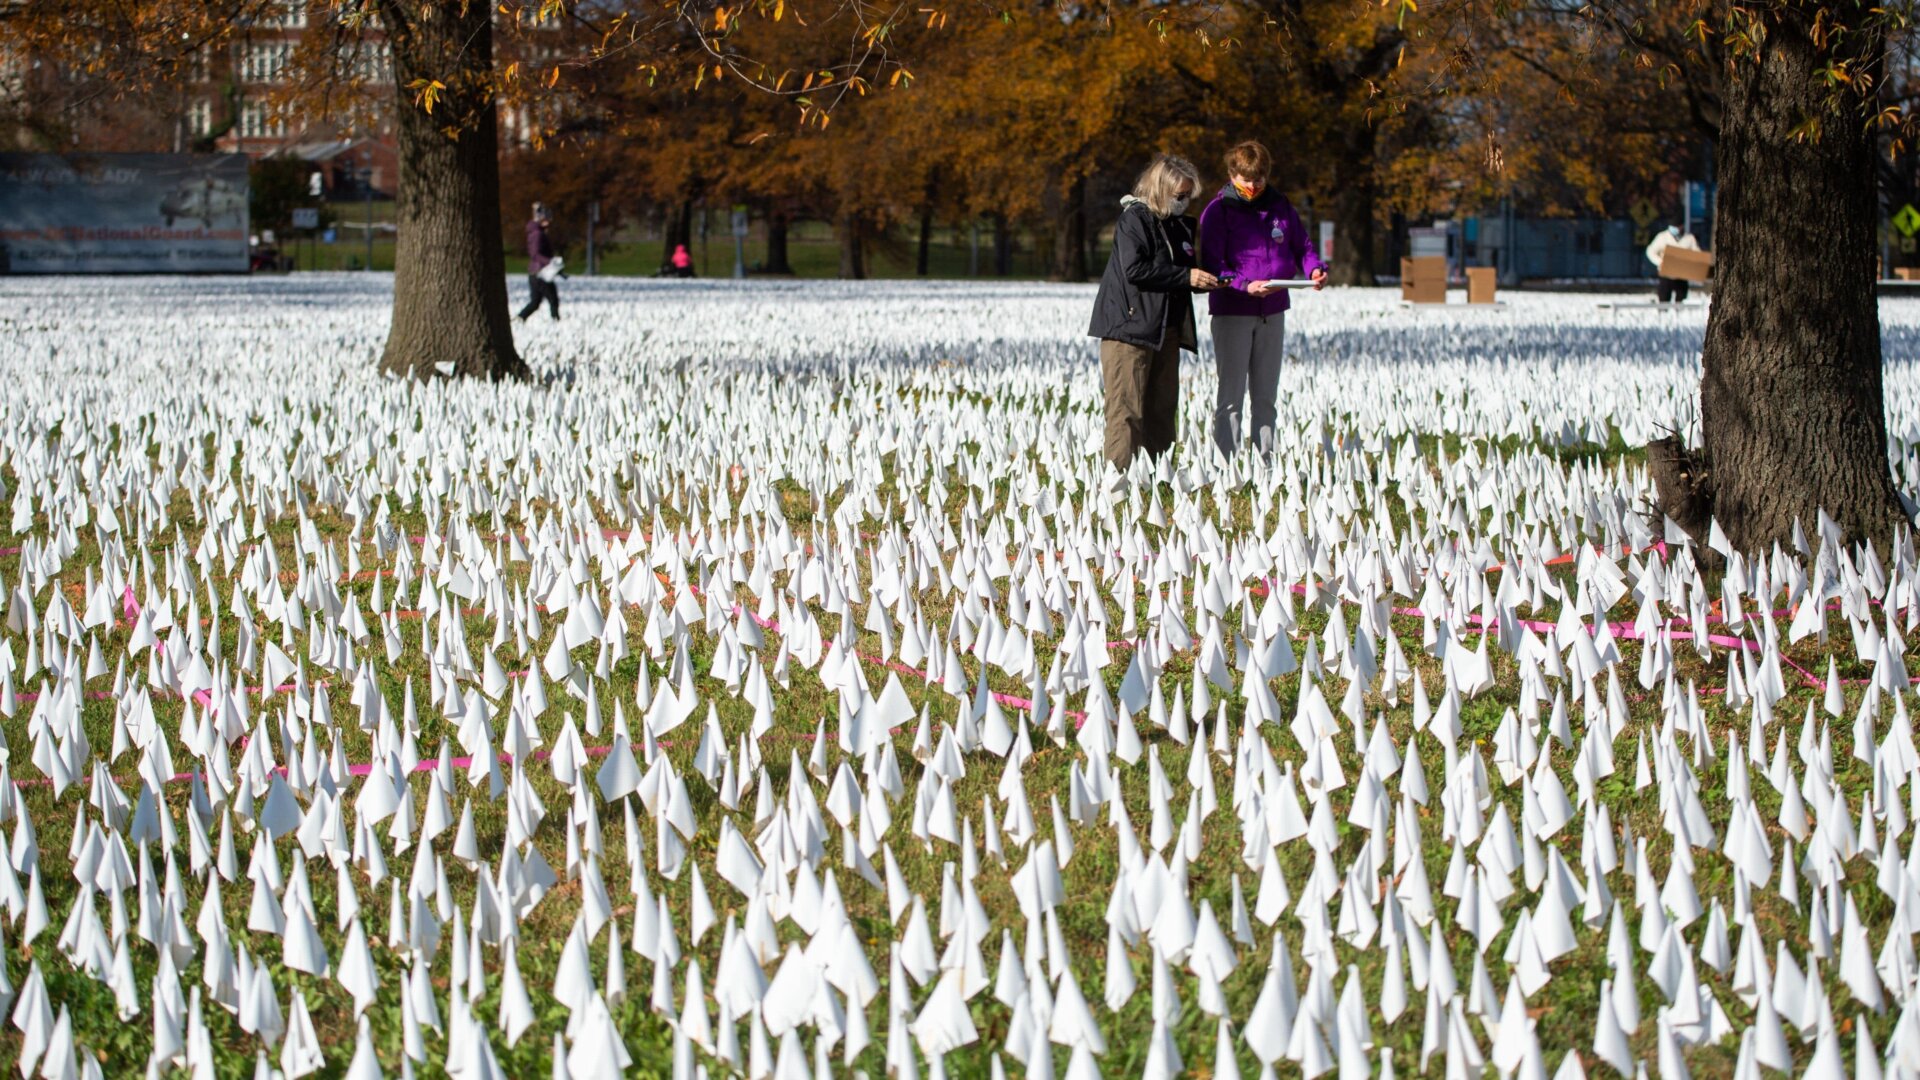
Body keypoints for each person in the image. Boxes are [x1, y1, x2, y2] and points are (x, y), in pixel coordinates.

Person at [1088, 154, 1219, 478]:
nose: (1185, 202)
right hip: (1129, 328)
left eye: (1189, 196)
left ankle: (1158, 478)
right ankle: (1117, 483)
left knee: (1162, 409)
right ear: (1161, 189)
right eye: (1180, 196)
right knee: (1125, 410)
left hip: (1166, 328)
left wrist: (1208, 280)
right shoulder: (1135, 219)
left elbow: (1181, 270)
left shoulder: (1179, 226)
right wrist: (1186, 277)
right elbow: (1135, 269)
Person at [1197, 140, 1327, 459]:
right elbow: (1214, 264)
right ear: (1232, 174)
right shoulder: (1217, 212)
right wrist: (1245, 285)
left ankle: (1264, 460)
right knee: (1231, 393)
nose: (1253, 185)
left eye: (1259, 178)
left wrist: (1314, 270)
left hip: (1273, 311)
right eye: (1246, 179)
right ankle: (1225, 462)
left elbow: (1303, 246)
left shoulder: (1280, 206)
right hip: (1233, 312)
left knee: (1266, 394)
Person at [518, 202, 559, 321]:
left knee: (535, 301)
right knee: (553, 298)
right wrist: (550, 261)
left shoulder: (536, 233)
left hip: (535, 272)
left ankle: (521, 317)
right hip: (540, 272)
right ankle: (555, 320)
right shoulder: (537, 234)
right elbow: (535, 254)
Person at [1646, 222, 1701, 303]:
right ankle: (1663, 314)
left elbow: (1697, 254)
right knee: (1664, 300)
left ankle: (1679, 314)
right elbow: (1650, 251)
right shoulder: (1662, 237)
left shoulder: (1689, 238)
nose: (1678, 229)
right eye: (1675, 227)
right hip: (1666, 274)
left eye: (1679, 226)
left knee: (1681, 300)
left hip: (1682, 274)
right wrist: (1660, 262)